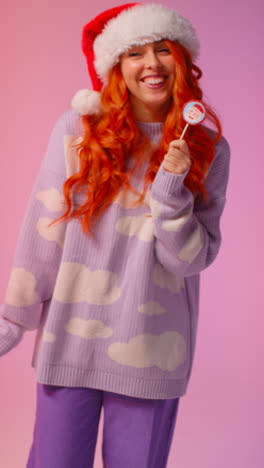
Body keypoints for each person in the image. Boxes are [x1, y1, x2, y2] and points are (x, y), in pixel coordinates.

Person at [0, 3, 230, 467]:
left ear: (181, 60)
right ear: (115, 67)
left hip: (154, 349)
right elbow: (43, 232)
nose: (151, 64)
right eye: (135, 53)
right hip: (70, 339)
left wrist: (170, 191)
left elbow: (189, 259)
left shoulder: (208, 148)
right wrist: (14, 318)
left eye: (163, 49)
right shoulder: (77, 132)